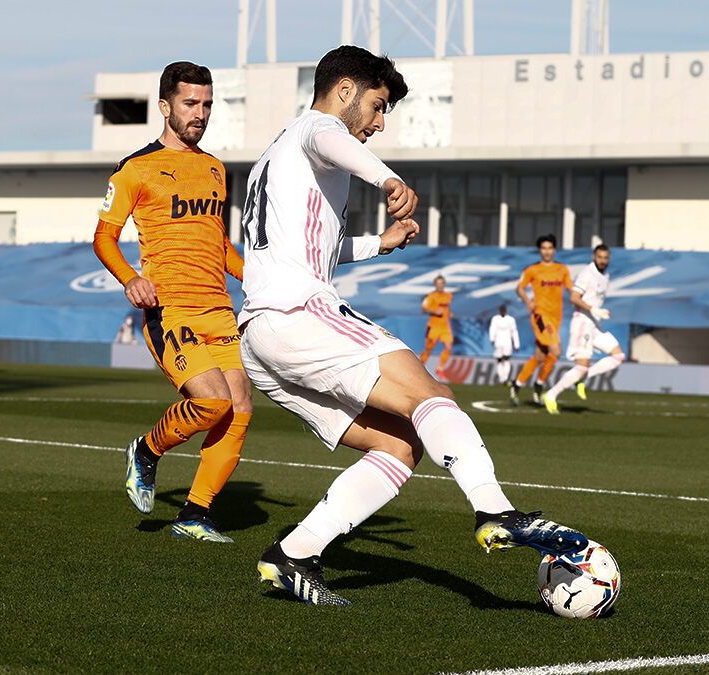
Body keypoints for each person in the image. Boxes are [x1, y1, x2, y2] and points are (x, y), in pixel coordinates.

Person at [239, 45, 587, 606]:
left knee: (400, 443)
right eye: (377, 106)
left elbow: (311, 249)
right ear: (345, 90)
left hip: (261, 334)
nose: (378, 124)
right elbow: (330, 137)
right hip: (299, 314)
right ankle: (495, 510)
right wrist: (387, 180)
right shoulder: (316, 129)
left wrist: (380, 243)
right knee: (432, 396)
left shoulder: (273, 157)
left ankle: (294, 555)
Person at [93, 61, 252, 543]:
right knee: (212, 401)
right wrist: (130, 279)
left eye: (207, 104)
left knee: (240, 408)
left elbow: (219, 244)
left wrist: (257, 278)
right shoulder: (135, 169)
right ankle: (146, 450)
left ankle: (194, 514)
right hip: (171, 310)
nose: (200, 113)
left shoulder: (215, 168)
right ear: (165, 107)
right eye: (190, 103)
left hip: (219, 310)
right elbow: (104, 237)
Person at [542, 244, 626, 414]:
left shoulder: (605, 276)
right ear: (594, 257)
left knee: (618, 356)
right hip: (582, 323)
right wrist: (593, 309)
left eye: (605, 258)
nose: (602, 261)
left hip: (595, 324)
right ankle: (551, 395)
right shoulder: (587, 274)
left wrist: (599, 312)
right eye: (599, 257)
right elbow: (574, 297)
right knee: (581, 366)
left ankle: (582, 379)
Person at [512, 234, 572, 404]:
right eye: (544, 248)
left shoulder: (562, 269)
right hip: (541, 315)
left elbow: (572, 289)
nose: (547, 251)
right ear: (540, 250)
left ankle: (517, 383)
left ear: (554, 250)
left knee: (540, 354)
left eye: (550, 248)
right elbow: (519, 288)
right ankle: (539, 384)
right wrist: (528, 301)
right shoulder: (532, 270)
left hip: (556, 317)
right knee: (556, 350)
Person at [418, 275, 454, 376]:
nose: (440, 285)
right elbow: (424, 309)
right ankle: (419, 366)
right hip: (433, 327)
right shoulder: (431, 296)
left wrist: (449, 313)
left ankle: (440, 368)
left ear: (444, 284)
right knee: (428, 349)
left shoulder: (448, 295)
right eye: (438, 283)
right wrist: (434, 311)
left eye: (441, 283)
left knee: (448, 346)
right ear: (435, 285)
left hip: (445, 327)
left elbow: (447, 307)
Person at [488, 303, 521, 404]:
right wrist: (492, 339)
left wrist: (516, 343)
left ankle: (505, 378)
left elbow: (514, 332)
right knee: (499, 360)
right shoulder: (495, 319)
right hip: (498, 342)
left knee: (506, 359)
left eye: (504, 310)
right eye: (501, 310)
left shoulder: (511, 320)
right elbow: (492, 329)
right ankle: (502, 378)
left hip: (507, 342)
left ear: (506, 311)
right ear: (499, 311)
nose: (502, 311)